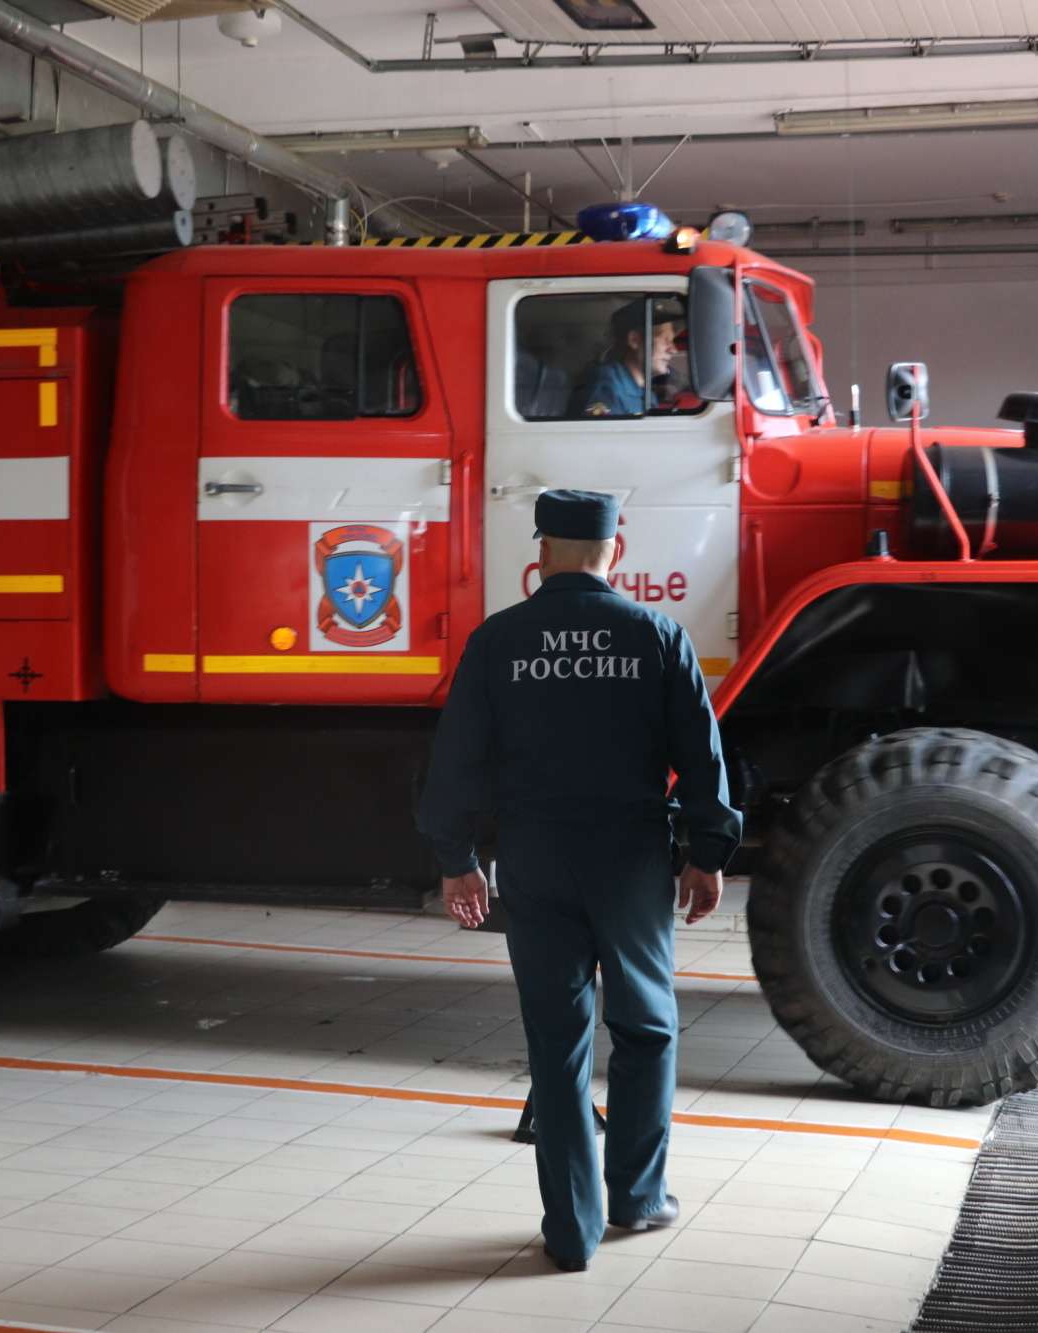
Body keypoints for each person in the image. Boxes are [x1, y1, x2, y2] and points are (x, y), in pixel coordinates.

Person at [415, 489, 742, 1273]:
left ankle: (570, 1229)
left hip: (535, 853)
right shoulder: (655, 633)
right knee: (647, 1026)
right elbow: (702, 756)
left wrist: (456, 858)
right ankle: (637, 1194)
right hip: (628, 856)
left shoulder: (499, 640)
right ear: (614, 552)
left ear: (542, 551)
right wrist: (709, 849)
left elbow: (454, 761)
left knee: (556, 1040)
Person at [578, 300, 680, 417]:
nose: (673, 350)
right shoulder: (607, 389)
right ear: (634, 340)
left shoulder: (645, 393)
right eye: (665, 340)